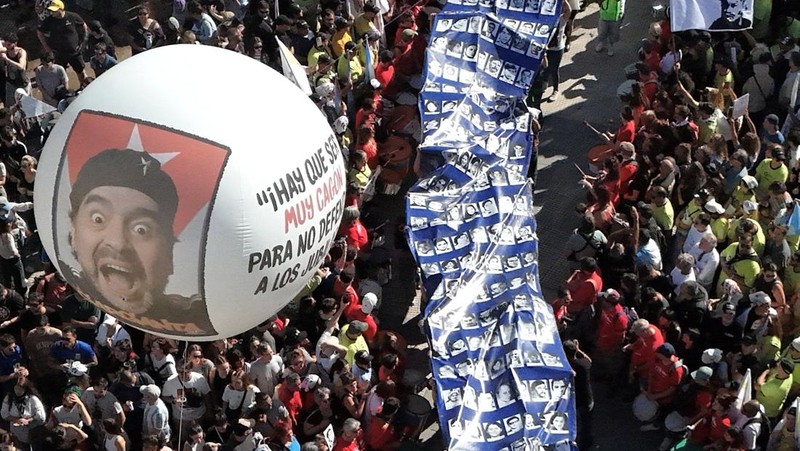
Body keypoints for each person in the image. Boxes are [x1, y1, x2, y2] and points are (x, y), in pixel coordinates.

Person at [63, 148, 215, 336]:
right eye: (98, 219)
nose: (117, 243)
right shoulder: (68, 287)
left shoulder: (197, 316)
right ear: (73, 233)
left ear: (169, 252)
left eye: (141, 229)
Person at [36, 0, 87, 85]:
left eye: (54, 10)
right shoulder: (49, 21)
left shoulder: (72, 16)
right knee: (59, 76)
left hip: (74, 52)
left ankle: (84, 87)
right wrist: (46, 47)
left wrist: (83, 41)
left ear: (61, 9)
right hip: (59, 53)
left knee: (81, 72)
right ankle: (64, 91)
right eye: (51, 10)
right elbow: (40, 32)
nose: (52, 12)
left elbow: (83, 25)